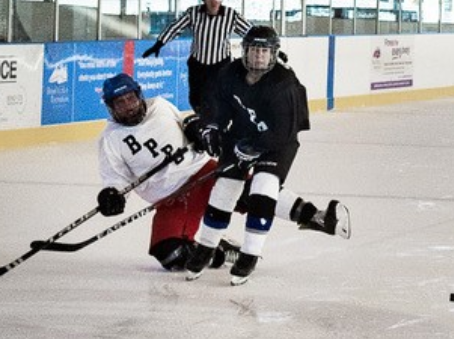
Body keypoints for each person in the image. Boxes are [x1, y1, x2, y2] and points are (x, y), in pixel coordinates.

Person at [95, 73, 346, 274]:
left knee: (253, 192)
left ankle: (315, 216)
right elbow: (115, 180)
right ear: (110, 108)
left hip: (201, 174)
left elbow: (185, 123)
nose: (128, 106)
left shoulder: (159, 106)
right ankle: (222, 251)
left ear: (139, 95)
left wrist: (196, 128)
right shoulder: (110, 139)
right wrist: (112, 196)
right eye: (120, 103)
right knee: (171, 255)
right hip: (169, 200)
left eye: (130, 98)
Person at [180, 26, 326, 285]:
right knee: (223, 189)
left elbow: (284, 130)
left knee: (263, 189)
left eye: (265, 51)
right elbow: (216, 105)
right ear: (245, 51)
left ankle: (250, 254)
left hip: (278, 145)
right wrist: (211, 128)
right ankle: (205, 247)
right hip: (239, 137)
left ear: (274, 54)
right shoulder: (229, 73)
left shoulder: (285, 84)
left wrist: (254, 149)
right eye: (254, 50)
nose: (259, 56)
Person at [141, 0, 252, 115]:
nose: (214, 3)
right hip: (198, 63)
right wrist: (159, 43)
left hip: (221, 64)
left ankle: (215, 124)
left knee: (215, 98)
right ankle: (202, 119)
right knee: (195, 98)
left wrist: (271, 47)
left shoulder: (230, 15)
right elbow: (175, 27)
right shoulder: (193, 13)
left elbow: (251, 32)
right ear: (203, 0)